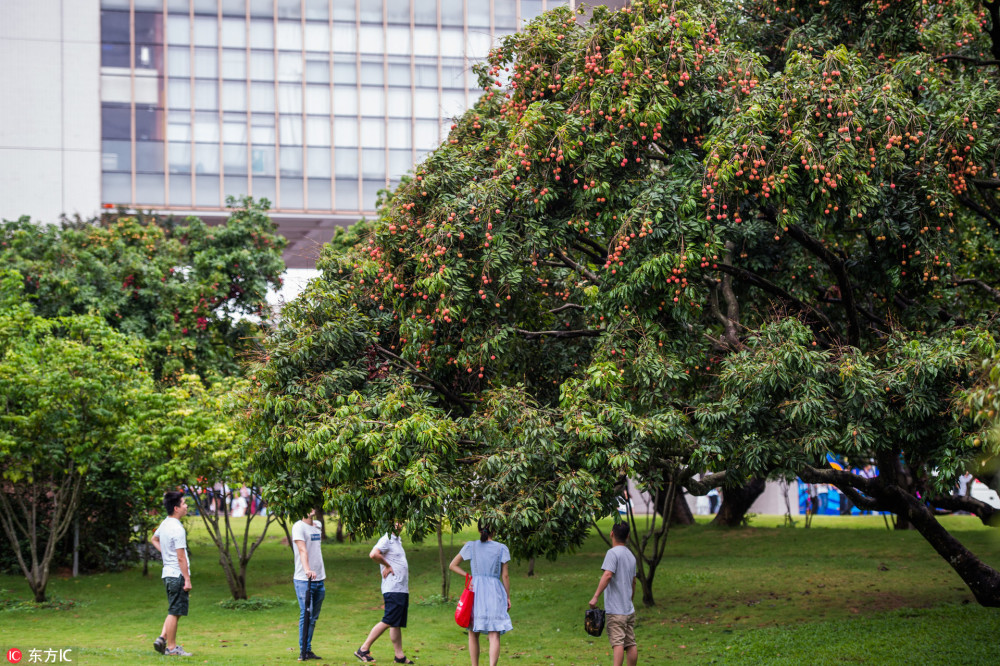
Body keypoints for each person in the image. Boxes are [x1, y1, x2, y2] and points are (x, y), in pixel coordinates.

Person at [449, 521, 512, 666]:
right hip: (495, 591)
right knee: (494, 632)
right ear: (494, 531)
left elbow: (452, 565)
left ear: (479, 530)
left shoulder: (471, 546)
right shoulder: (502, 548)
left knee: (473, 631)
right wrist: (507, 596)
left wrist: (469, 576)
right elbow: (505, 576)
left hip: (475, 591)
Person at [354, 524, 414, 664]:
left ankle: (399, 656)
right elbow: (374, 554)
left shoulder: (396, 540)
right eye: (397, 521)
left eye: (402, 521)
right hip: (393, 587)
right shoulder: (387, 538)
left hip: (400, 588)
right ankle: (363, 649)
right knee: (388, 620)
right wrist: (387, 565)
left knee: (395, 623)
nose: (400, 524)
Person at [151, 491, 193, 657]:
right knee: (174, 611)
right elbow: (181, 557)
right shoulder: (177, 529)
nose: (186, 506)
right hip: (177, 574)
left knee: (175, 609)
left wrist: (165, 554)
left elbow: (154, 539)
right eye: (183, 503)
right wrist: (187, 579)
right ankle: (172, 647)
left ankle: (162, 638)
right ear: (176, 508)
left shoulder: (165, 523)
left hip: (168, 574)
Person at [589, 523, 638, 666]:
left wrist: (596, 596)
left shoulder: (612, 553)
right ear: (628, 536)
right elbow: (634, 582)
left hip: (616, 610)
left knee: (618, 643)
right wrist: (630, 599)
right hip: (628, 609)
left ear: (611, 534)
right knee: (630, 643)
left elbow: (608, 574)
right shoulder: (631, 556)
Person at [293, 509, 326, 661]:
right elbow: (302, 550)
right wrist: (307, 569)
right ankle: (302, 651)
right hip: (303, 579)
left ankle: (307, 649)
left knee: (313, 617)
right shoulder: (298, 526)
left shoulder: (318, 525)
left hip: (320, 579)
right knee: (306, 613)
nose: (312, 508)